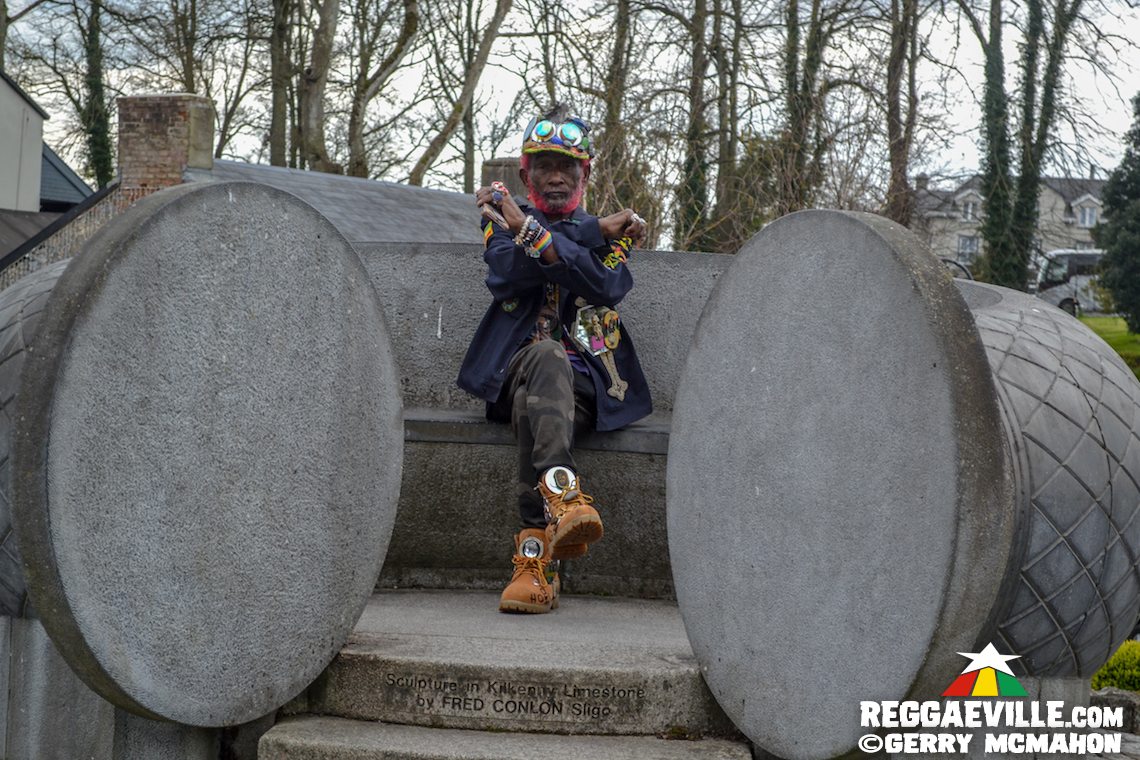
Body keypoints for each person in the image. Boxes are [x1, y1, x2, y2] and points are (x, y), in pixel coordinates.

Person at [458, 105, 651, 614]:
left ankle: (534, 556)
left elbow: (605, 283)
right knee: (542, 357)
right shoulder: (503, 221)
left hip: (588, 388)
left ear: (585, 174)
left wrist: (541, 234)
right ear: (525, 174)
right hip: (516, 368)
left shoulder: (609, 235)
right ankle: (564, 500)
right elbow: (505, 270)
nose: (556, 176)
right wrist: (585, 236)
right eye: (544, 166)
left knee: (536, 402)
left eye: (568, 167)